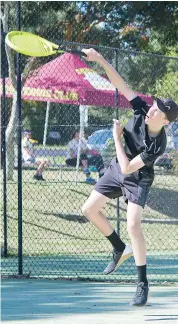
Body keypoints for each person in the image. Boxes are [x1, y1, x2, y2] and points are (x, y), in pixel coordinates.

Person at [81, 48, 178, 306]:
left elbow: (127, 169)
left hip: (137, 176)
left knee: (134, 225)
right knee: (89, 209)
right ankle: (118, 247)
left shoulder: (158, 145)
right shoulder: (141, 109)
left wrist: (115, 136)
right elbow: (119, 82)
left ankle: (142, 283)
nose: (153, 110)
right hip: (117, 166)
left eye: (158, 111)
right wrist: (100, 59)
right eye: (154, 106)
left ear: (166, 121)